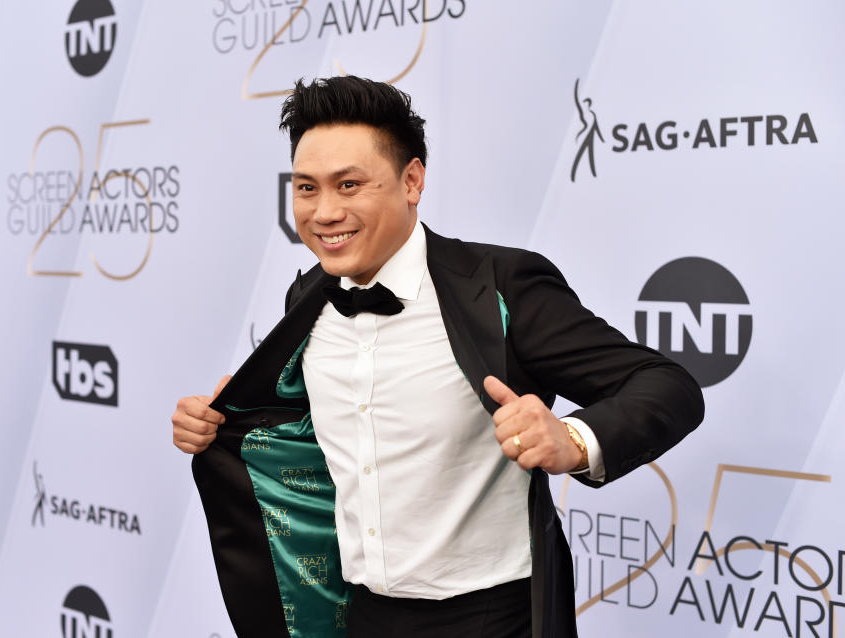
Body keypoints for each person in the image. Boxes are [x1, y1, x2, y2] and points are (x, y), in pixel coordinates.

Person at [171, 76, 704, 638]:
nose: (324, 212)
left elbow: (668, 384)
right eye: (306, 189)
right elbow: (304, 430)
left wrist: (572, 441)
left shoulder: (502, 290)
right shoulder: (307, 298)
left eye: (349, 185)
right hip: (360, 614)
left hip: (491, 618)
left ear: (412, 181)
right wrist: (220, 422)